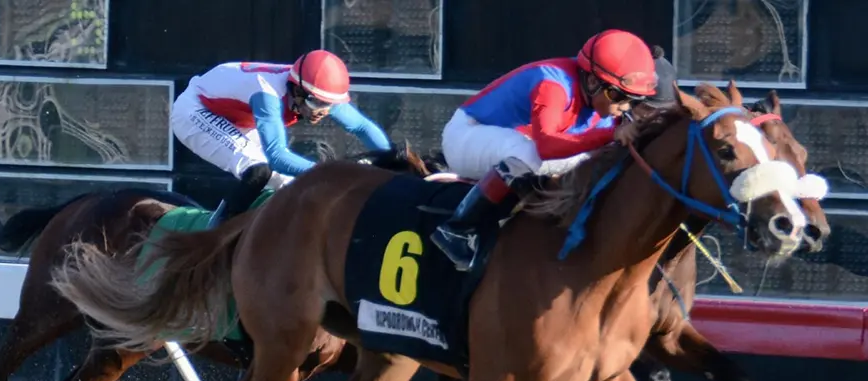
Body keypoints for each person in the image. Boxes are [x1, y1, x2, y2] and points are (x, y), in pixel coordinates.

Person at [431, 29, 658, 272]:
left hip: (512, 144)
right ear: (592, 81)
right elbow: (547, 147)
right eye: (617, 95)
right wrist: (610, 135)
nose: (623, 107)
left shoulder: (602, 108)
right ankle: (456, 230)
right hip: (466, 135)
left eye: (632, 100)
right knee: (530, 156)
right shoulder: (552, 83)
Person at [170, 50, 392, 228]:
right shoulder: (268, 95)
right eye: (317, 104)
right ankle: (214, 234)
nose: (323, 111)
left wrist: (393, 164)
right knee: (259, 169)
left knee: (292, 184)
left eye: (329, 105)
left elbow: (362, 127)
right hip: (195, 110)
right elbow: (276, 157)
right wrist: (332, 174)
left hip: (238, 117)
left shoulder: (317, 91)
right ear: (296, 91)